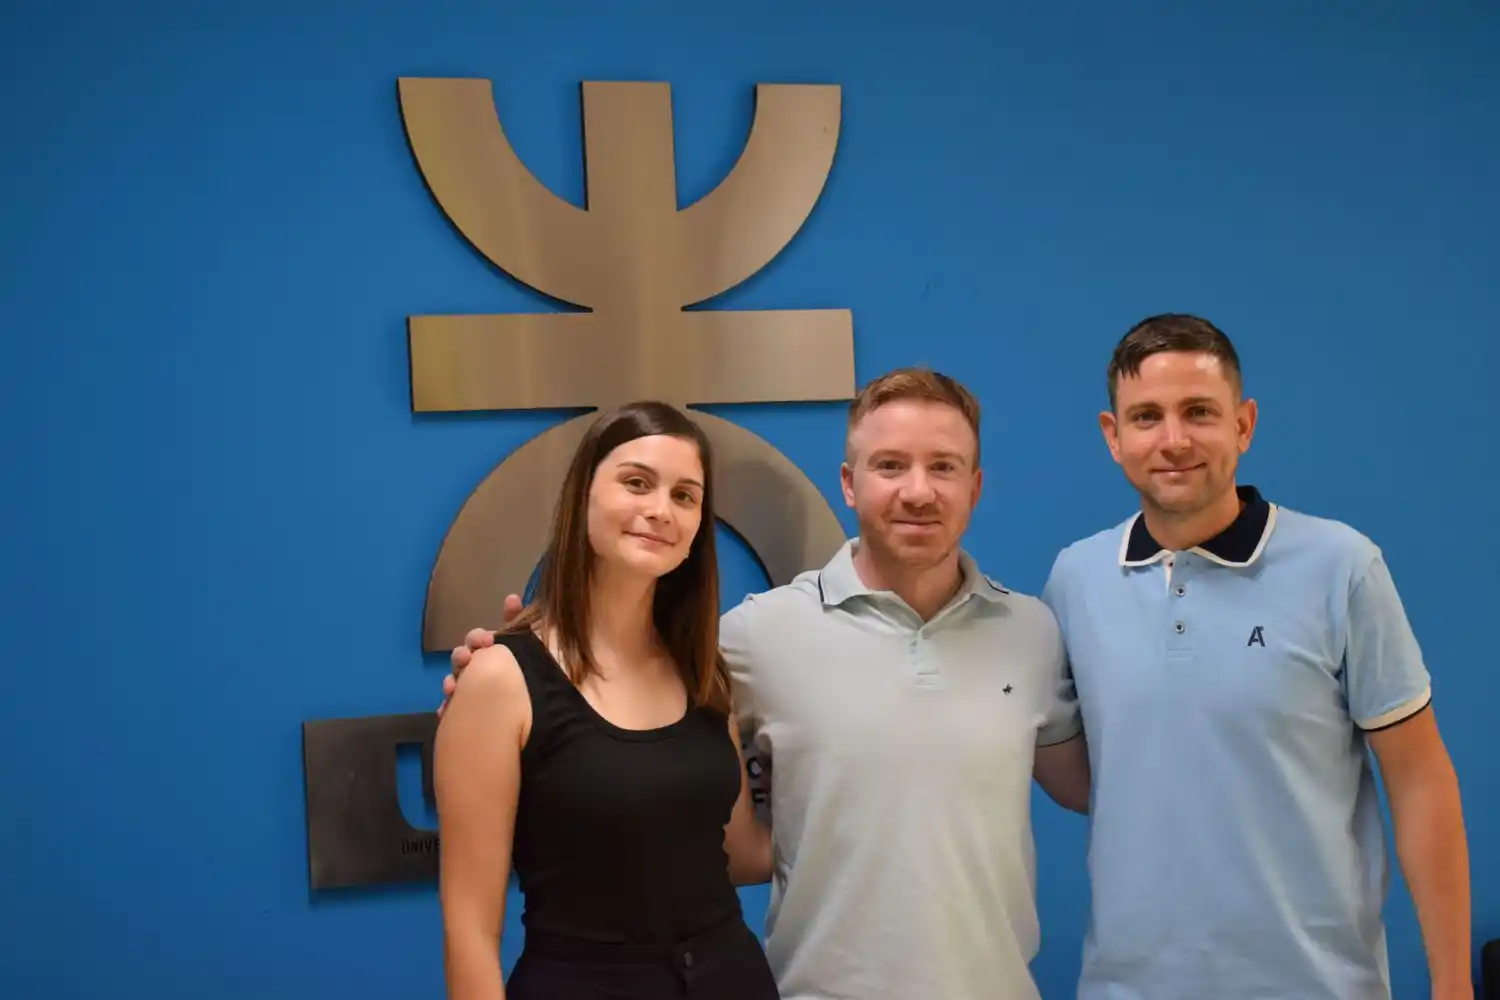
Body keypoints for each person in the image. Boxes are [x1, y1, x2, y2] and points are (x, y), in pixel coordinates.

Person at [443, 369, 1093, 1000]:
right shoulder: (751, 639)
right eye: (890, 465)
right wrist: (501, 680)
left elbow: (1091, 787)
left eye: (943, 466)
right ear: (849, 483)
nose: (917, 491)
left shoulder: (1029, 632)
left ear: (975, 486)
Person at [1041, 313, 1473, 1000]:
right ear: (1112, 436)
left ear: (1243, 425)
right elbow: (1094, 777)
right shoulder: (1076, 578)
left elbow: (1420, 780)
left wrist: (1453, 985)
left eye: (1199, 412)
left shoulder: (1341, 567)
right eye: (1147, 416)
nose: (1174, 440)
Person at [433, 400, 780, 1000]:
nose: (661, 510)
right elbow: (469, 930)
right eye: (637, 483)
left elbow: (739, 850)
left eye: (685, 496)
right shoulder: (500, 678)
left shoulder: (703, 673)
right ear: (583, 497)